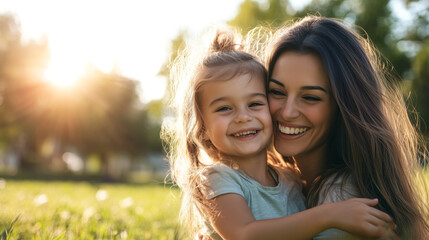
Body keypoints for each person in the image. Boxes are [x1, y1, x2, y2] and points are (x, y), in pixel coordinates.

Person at [162, 27, 395, 240]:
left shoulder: (291, 180)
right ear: (202, 128)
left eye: (254, 104)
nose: (243, 117)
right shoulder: (217, 178)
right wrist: (329, 215)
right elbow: (244, 235)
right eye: (224, 108)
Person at [261, 16, 429, 239]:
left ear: (344, 107)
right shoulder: (288, 184)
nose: (287, 111)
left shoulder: (342, 199)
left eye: (310, 97)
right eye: (277, 92)